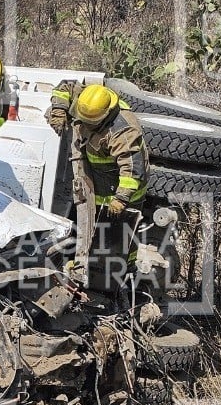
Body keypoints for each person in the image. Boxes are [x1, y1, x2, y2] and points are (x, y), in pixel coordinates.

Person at [47, 82, 149, 288]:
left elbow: (132, 170)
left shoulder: (123, 131)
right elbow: (64, 87)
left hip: (122, 185)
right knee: (87, 222)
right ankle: (82, 263)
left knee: (119, 234)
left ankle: (124, 274)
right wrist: (59, 108)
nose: (84, 125)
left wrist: (121, 199)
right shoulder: (89, 98)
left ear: (104, 117)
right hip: (96, 174)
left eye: (89, 123)